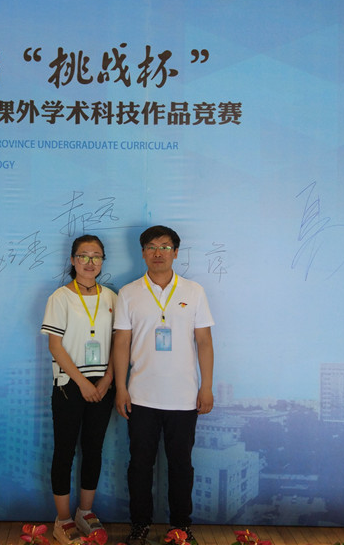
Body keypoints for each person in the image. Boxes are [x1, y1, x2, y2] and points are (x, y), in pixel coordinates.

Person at [112, 226, 214, 545]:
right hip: (141, 396)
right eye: (152, 247)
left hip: (184, 397)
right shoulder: (128, 293)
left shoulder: (194, 291)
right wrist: (121, 388)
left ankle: (181, 527)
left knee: (181, 466)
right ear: (142, 252)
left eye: (166, 247)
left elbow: (204, 342)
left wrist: (206, 387)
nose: (159, 253)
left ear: (176, 253)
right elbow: (121, 343)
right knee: (140, 465)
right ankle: (139, 525)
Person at [41, 234, 118, 545]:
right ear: (73, 260)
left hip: (103, 385)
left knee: (94, 449)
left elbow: (120, 344)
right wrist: (83, 383)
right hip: (70, 385)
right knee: (65, 450)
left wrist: (108, 379)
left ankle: (85, 512)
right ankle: (62, 519)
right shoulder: (60, 297)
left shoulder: (111, 297)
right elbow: (55, 346)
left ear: (102, 261)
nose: (90, 262)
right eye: (84, 255)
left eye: (96, 256)